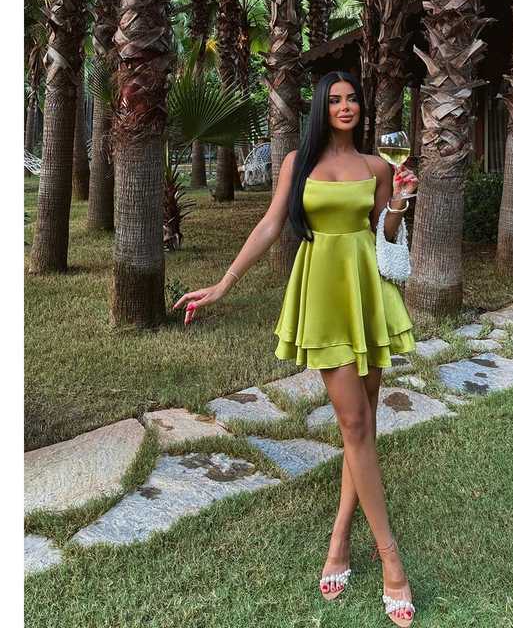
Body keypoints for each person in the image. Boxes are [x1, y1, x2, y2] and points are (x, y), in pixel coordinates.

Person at [172, 70, 419, 626]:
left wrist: (401, 202)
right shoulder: (297, 163)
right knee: (354, 423)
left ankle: (339, 538)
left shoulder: (377, 166)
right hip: (323, 291)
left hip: (367, 290)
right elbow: (269, 224)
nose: (346, 106)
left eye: (352, 99)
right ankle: (390, 559)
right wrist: (224, 283)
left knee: (362, 425)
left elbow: (385, 234)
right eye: (335, 100)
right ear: (320, 108)